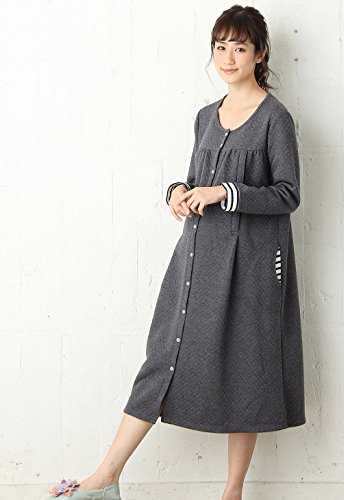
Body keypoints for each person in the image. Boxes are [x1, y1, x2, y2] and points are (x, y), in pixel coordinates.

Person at [47, 5, 305, 500]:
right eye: (220, 47)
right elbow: (193, 178)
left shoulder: (276, 118)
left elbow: (288, 194)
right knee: (162, 358)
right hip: (197, 262)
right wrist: (178, 192)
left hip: (250, 268)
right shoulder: (205, 117)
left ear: (260, 54)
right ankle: (106, 476)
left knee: (245, 370)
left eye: (239, 48)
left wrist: (224, 192)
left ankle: (232, 492)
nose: (227, 58)